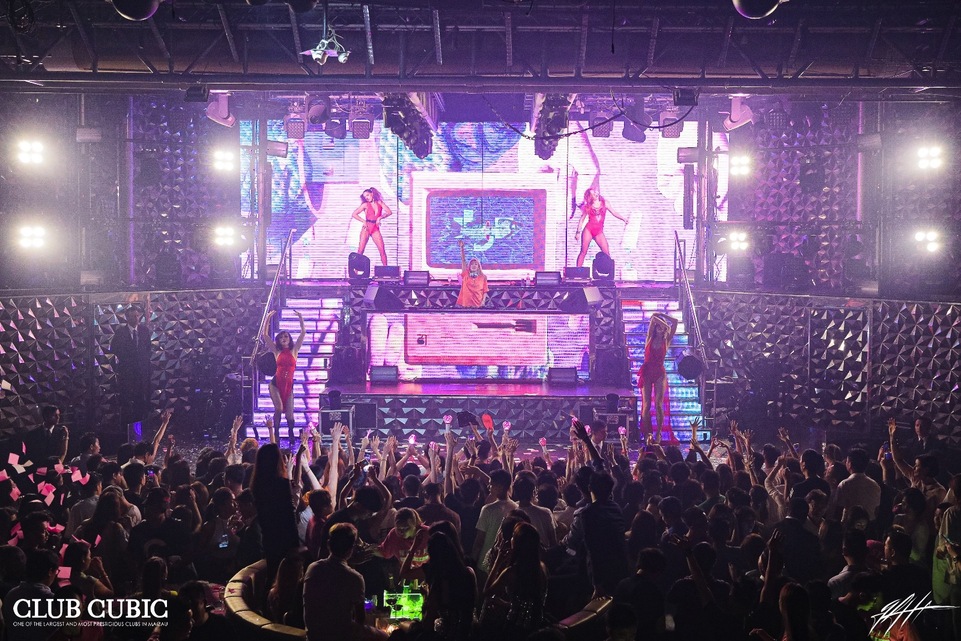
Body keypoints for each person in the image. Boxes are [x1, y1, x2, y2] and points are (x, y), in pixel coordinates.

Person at [302, 522, 387, 641]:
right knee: (385, 636)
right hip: (341, 636)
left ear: (328, 544)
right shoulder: (355, 578)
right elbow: (360, 620)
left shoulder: (313, 568)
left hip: (313, 636)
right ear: (352, 549)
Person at [260, 309, 305, 444]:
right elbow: (265, 335)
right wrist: (268, 317)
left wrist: (300, 318)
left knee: (290, 415)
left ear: (289, 339)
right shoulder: (276, 351)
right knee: (279, 408)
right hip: (276, 384)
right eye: (281, 337)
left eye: (286, 336)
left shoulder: (294, 350)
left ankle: (291, 432)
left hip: (288, 385)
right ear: (279, 340)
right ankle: (276, 433)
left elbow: (303, 333)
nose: (284, 339)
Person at [637, 313, 679, 442]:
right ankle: (647, 433)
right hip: (647, 371)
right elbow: (654, 318)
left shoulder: (667, 340)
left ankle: (658, 434)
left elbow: (675, 321)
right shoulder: (649, 337)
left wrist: (664, 320)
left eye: (662, 327)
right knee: (646, 405)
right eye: (658, 326)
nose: (661, 328)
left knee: (658, 404)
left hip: (659, 372)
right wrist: (661, 318)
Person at [109, 304, 152, 428]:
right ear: (127, 318)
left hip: (142, 373)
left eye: (137, 316)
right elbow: (114, 349)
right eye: (133, 316)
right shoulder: (120, 333)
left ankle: (141, 425)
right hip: (127, 372)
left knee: (141, 400)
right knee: (127, 400)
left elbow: (148, 348)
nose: (136, 319)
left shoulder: (144, 331)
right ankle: (126, 426)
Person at [574, 187, 629, 267]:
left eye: (595, 192)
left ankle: (609, 271)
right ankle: (577, 270)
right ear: (590, 197)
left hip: (598, 232)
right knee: (583, 251)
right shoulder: (588, 206)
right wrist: (578, 232)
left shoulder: (605, 203)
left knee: (606, 253)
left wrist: (623, 219)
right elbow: (581, 220)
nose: (595, 194)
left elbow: (614, 212)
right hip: (589, 230)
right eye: (593, 194)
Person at [351, 187, 393, 266]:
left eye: (367, 195)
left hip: (375, 228)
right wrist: (363, 221)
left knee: (382, 250)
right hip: (366, 228)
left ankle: (385, 269)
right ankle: (355, 270)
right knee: (360, 250)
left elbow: (389, 212)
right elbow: (354, 214)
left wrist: (380, 217)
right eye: (365, 196)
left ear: (372, 194)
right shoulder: (365, 205)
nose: (366, 197)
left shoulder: (379, 203)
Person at [456, 239, 488, 308]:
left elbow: (485, 291)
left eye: (476, 264)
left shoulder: (483, 277)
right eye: (472, 264)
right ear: (469, 266)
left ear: (478, 267)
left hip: (478, 305)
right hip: (466, 305)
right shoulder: (466, 274)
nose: (474, 265)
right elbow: (463, 260)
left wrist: (483, 302)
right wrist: (462, 248)